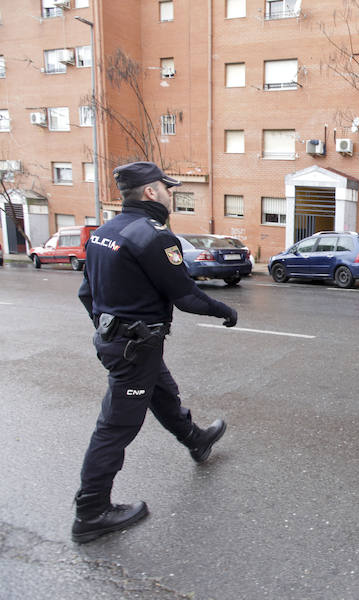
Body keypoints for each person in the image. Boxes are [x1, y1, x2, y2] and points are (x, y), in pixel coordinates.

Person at [72, 161, 238, 544]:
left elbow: (86, 294)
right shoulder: (154, 236)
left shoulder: (103, 233)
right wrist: (225, 311)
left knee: (162, 392)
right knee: (115, 428)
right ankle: (91, 512)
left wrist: (109, 330)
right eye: (165, 187)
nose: (169, 192)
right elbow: (186, 297)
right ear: (150, 192)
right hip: (134, 345)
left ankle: (196, 438)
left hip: (124, 342)